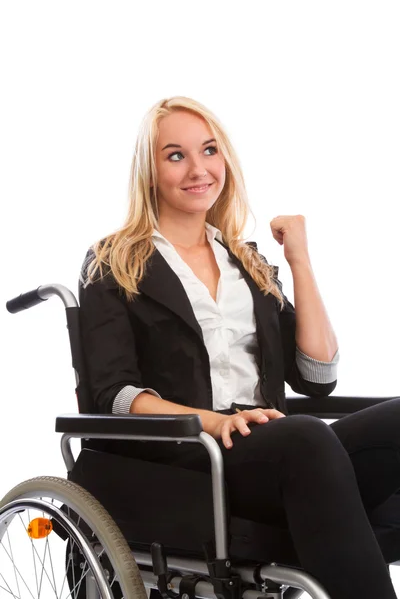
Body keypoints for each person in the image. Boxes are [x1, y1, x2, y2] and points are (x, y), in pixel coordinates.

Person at [79, 96, 400, 599]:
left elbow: (317, 377)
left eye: (209, 150)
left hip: (278, 453)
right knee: (307, 436)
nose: (198, 169)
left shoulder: (245, 262)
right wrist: (214, 421)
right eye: (176, 155)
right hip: (187, 457)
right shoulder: (113, 262)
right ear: (150, 170)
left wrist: (299, 260)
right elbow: (114, 394)